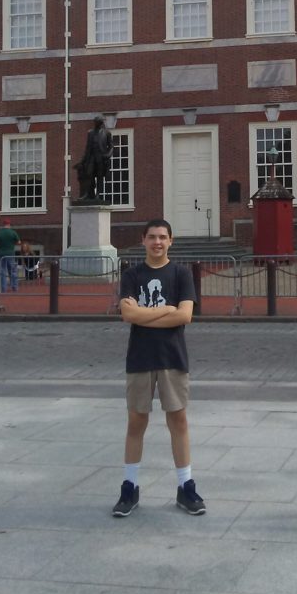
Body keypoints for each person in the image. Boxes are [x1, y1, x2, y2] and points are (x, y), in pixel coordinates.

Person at [112, 218, 205, 519]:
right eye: (152, 237)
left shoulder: (180, 274)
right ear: (143, 240)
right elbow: (127, 315)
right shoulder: (131, 274)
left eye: (163, 237)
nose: (157, 242)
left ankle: (185, 485)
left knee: (178, 421)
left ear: (171, 241)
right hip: (140, 356)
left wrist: (146, 314)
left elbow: (185, 317)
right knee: (136, 422)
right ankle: (130, 486)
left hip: (172, 356)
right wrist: (166, 309)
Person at [74, 115, 113, 202]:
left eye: (100, 123)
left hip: (101, 159)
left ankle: (98, 195)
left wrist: (108, 155)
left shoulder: (107, 133)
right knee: (89, 175)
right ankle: (87, 194)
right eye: (97, 123)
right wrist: (83, 160)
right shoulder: (90, 133)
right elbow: (87, 148)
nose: (98, 124)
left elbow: (111, 146)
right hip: (91, 158)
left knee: (99, 177)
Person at [0, 219, 20, 293]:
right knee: (13, 270)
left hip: (0, 253)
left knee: (2, 271)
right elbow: (19, 242)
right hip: (10, 253)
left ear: (3, 224)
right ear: (9, 224)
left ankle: (3, 289)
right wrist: (11, 244)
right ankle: (14, 287)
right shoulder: (13, 232)